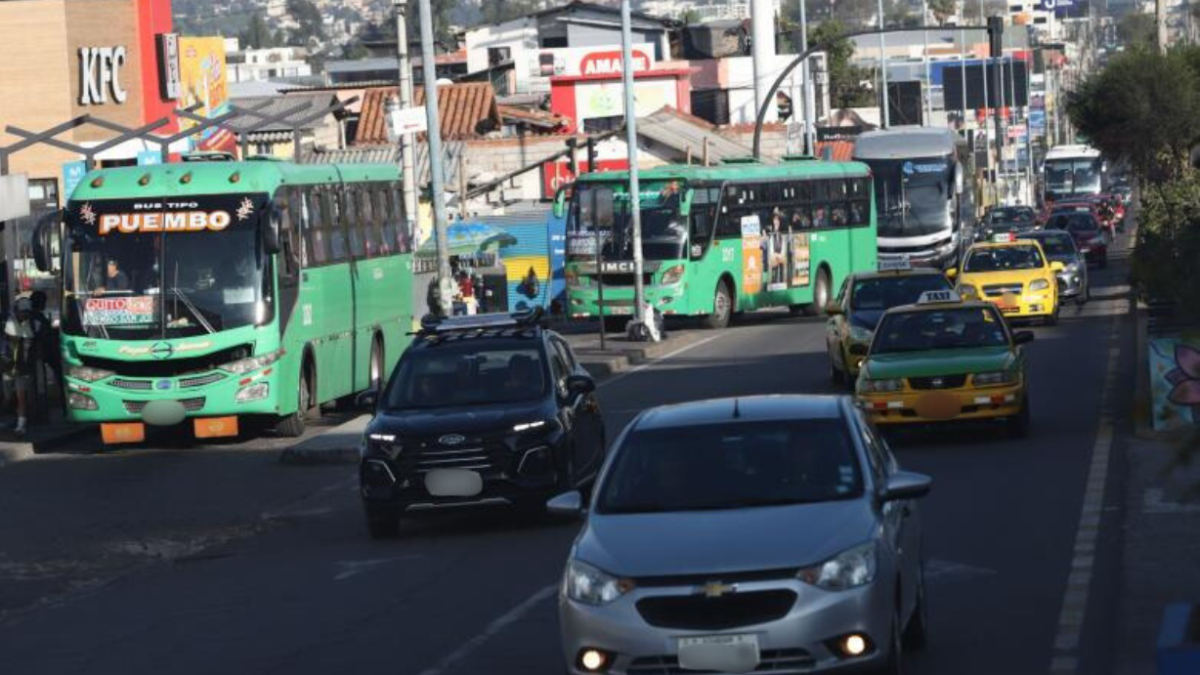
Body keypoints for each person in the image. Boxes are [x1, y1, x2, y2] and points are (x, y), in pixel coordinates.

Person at [3, 298, 37, 434]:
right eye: (22, 312)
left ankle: (21, 424)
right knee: (7, 397)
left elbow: (37, 345)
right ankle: (14, 418)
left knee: (21, 396)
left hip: (24, 368)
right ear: (16, 311)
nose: (24, 315)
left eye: (27, 312)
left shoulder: (34, 324)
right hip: (7, 366)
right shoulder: (7, 322)